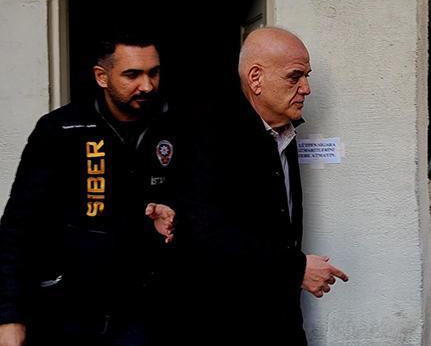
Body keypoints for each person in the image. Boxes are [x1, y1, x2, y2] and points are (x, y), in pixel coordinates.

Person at [172, 27, 348, 345]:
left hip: (281, 319)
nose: (306, 88)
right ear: (256, 79)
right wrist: (295, 270)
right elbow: (206, 237)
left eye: (307, 76)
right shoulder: (210, 138)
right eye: (295, 77)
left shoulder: (283, 131)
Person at [0, 34, 176, 346]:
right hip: (69, 315)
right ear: (101, 77)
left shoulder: (175, 126)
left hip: (145, 314)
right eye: (132, 74)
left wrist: (177, 213)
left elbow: (206, 203)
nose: (147, 85)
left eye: (154, 72)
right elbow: (18, 226)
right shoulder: (61, 130)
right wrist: (9, 316)